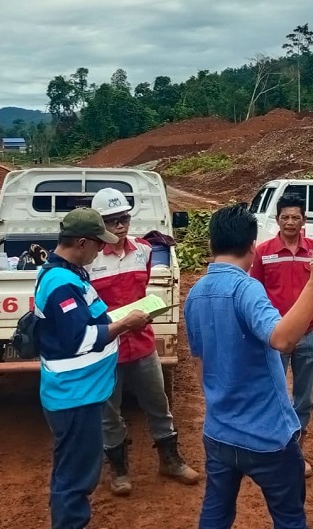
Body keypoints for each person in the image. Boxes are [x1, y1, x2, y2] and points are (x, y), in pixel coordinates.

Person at [184, 204, 313, 529]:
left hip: (218, 434)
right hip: (268, 437)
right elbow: (281, 339)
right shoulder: (246, 288)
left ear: (211, 245)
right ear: (252, 247)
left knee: (215, 514)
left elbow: (200, 363)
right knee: (289, 517)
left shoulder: (195, 294)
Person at [35, 208, 151, 529]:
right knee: (75, 477)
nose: (102, 250)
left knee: (72, 469)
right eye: (99, 245)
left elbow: (91, 320)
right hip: (74, 396)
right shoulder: (61, 282)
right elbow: (80, 337)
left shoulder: (71, 273)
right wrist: (126, 324)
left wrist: (121, 320)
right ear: (82, 243)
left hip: (80, 393)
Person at [88, 188, 199, 496]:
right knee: (110, 412)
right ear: (100, 224)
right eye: (111, 221)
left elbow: (151, 293)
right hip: (108, 348)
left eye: (123, 218)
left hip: (142, 344)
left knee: (158, 404)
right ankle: (120, 470)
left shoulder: (143, 251)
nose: (120, 226)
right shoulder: (89, 260)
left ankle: (170, 460)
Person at [251, 193, 313, 478]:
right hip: (275, 334)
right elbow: (254, 293)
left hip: (311, 334)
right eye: (285, 217)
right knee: (273, 393)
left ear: (304, 220)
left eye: (295, 217)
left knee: (305, 398)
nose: (290, 222)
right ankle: (274, 446)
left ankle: (296, 450)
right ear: (277, 220)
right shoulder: (263, 252)